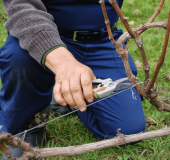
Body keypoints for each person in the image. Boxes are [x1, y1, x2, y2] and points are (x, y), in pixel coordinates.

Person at [0, 0, 146, 158]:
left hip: (103, 41)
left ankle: (69, 94)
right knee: (19, 58)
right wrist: (62, 62)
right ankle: (27, 126)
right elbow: (22, 7)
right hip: (43, 35)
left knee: (129, 130)